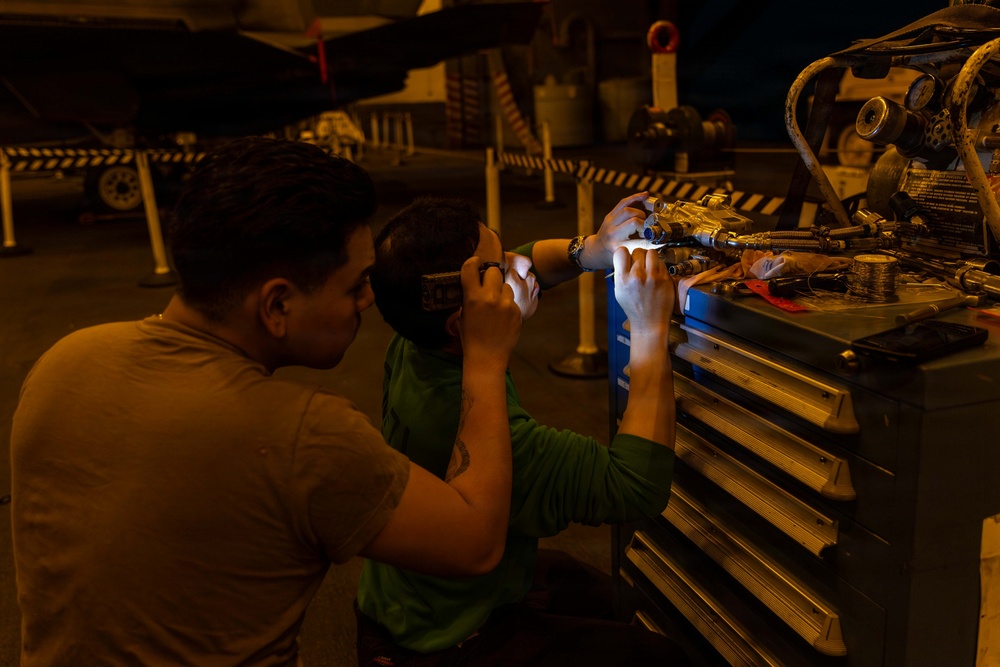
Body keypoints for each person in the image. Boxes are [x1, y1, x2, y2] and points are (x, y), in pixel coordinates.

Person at [9, 137, 524, 667]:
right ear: (277, 304)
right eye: (354, 286)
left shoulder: (65, 360)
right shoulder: (304, 434)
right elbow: (476, 543)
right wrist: (483, 358)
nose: (368, 300)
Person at [357, 195, 692, 665]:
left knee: (607, 597)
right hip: (446, 643)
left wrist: (591, 248)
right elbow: (633, 486)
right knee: (660, 656)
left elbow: (529, 258)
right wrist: (649, 326)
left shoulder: (416, 334)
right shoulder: (481, 429)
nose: (523, 263)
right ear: (465, 320)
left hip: (404, 597)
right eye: (501, 270)